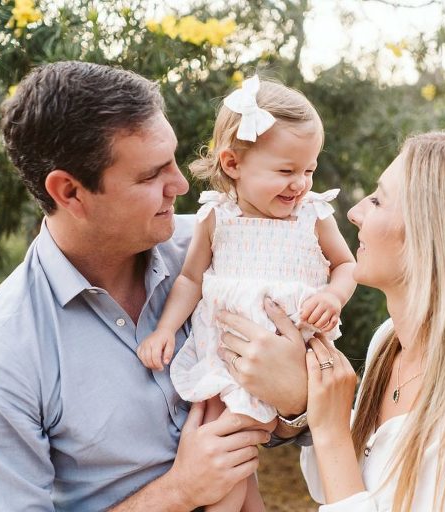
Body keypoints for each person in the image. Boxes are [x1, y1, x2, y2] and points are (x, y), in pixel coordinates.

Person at [0, 61, 310, 512]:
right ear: (69, 192)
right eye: (150, 175)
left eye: (173, 160)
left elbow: (288, 416)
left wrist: (295, 403)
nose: (179, 183)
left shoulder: (223, 253)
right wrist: (177, 492)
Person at [222, 131, 445, 511]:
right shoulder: (389, 343)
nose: (356, 213)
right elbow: (339, 485)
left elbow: (339, 463)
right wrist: (303, 404)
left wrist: (330, 432)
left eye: (377, 200)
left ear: (433, 238)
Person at [136, 75, 356, 511]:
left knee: (232, 457)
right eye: (286, 171)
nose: (301, 185)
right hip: (228, 356)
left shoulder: (313, 216)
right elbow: (190, 280)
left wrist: (333, 297)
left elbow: (346, 264)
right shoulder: (217, 217)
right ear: (233, 164)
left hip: (294, 357)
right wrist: (165, 329)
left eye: (309, 170)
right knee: (234, 464)